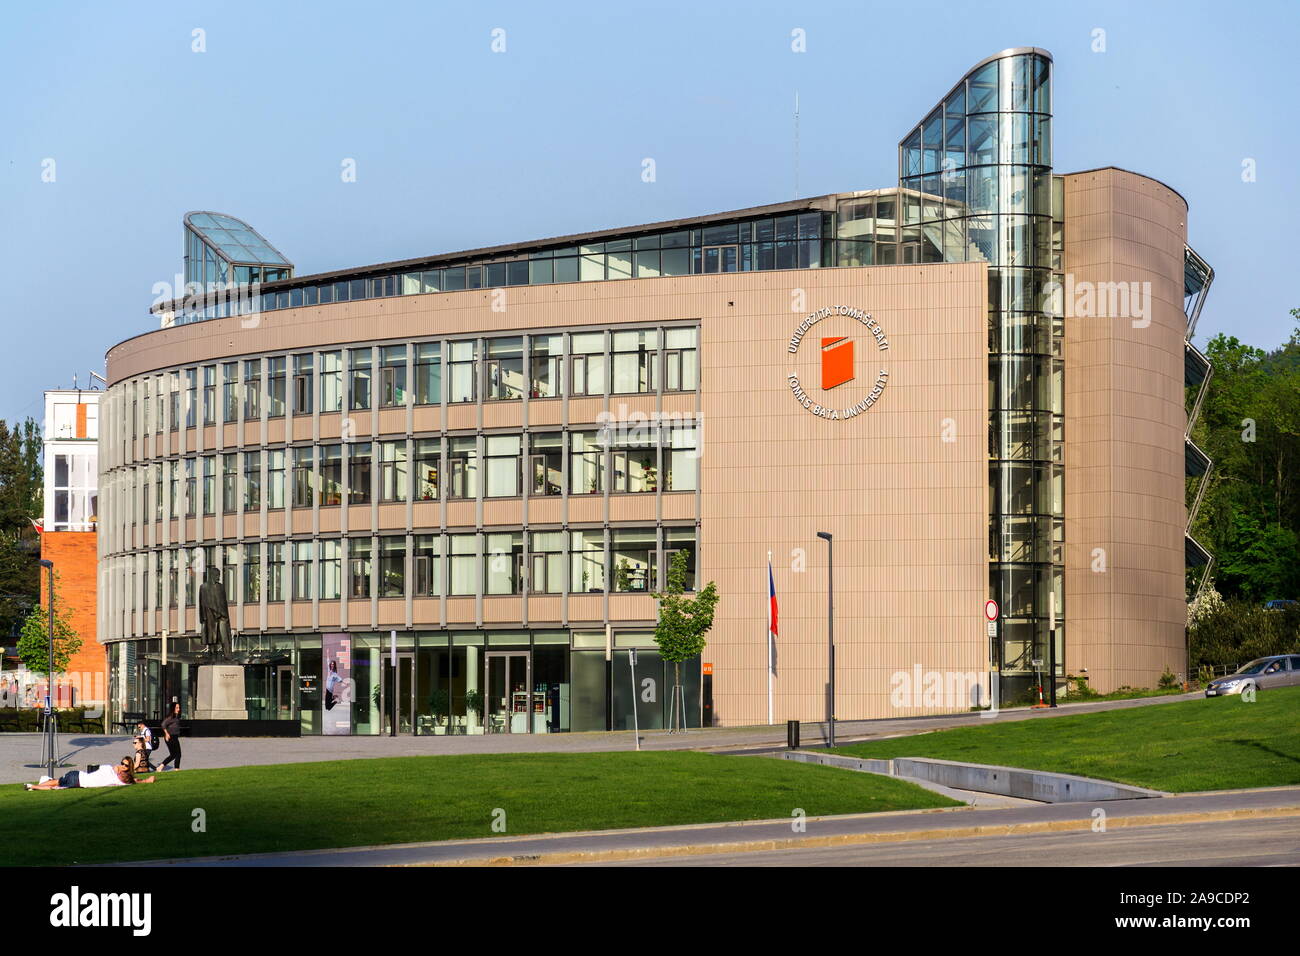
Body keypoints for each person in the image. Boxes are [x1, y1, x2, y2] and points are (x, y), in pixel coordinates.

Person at [26, 757, 155, 790]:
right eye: (122, 763)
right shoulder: (111, 770)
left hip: (78, 779)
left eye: (125, 765)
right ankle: (33, 786)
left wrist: (146, 781)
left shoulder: (118, 779)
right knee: (56, 783)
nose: (122, 766)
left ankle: (34, 786)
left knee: (56, 784)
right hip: (78, 777)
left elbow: (133, 781)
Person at [159, 701, 183, 771]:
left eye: (179, 708)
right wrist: (166, 734)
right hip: (171, 737)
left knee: (174, 754)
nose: (178, 709)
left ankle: (161, 767)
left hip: (175, 736)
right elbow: (163, 724)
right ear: (173, 708)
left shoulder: (176, 717)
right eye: (177, 708)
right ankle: (176, 769)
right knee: (177, 754)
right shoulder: (171, 717)